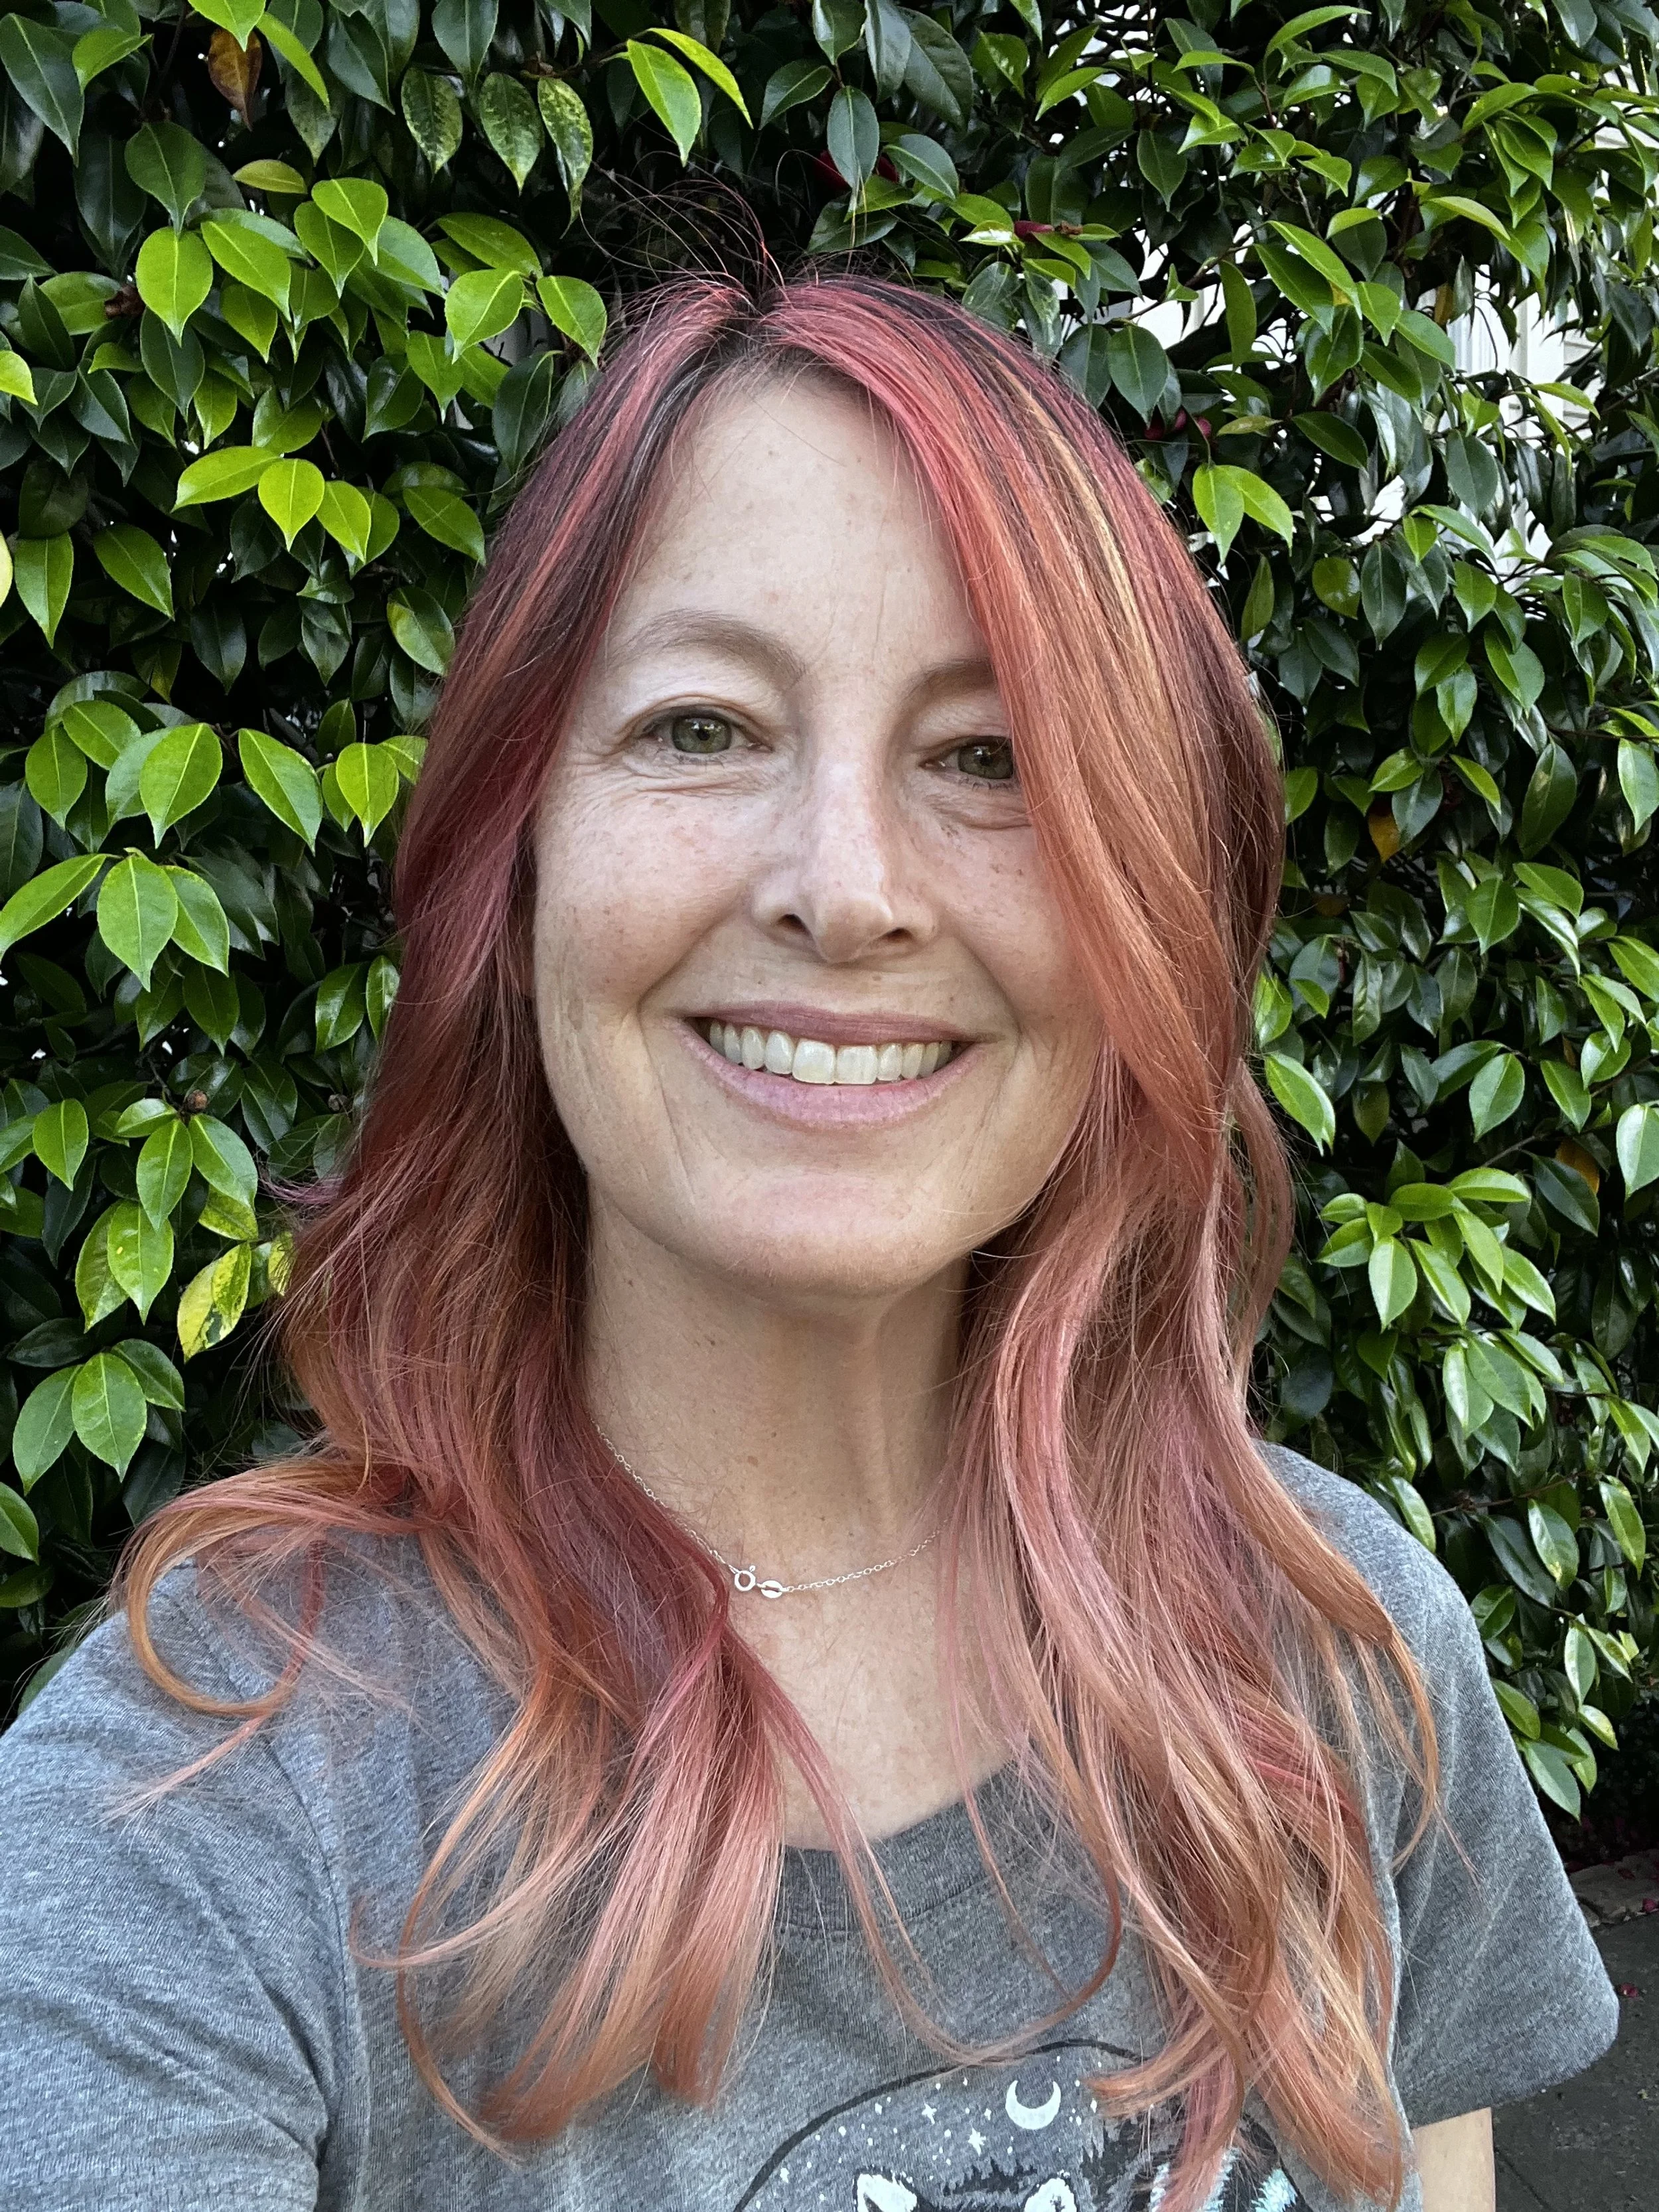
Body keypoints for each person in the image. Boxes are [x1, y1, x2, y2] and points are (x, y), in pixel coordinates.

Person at [0, 273, 1617, 2212]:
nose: (843, 889)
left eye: (990, 755)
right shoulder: (207, 1809)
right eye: (701, 725)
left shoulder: (1336, 1645)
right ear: (510, 868)